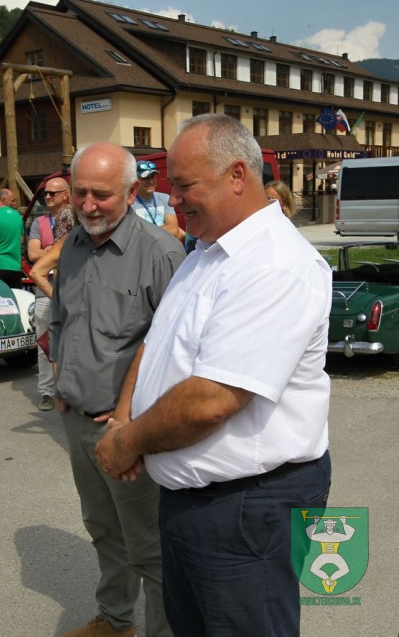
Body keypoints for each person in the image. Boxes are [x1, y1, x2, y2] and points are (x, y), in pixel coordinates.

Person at [96, 113, 332, 637]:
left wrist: (127, 442)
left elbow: (212, 400)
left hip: (246, 508)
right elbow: (158, 341)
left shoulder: (273, 265)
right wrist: (123, 418)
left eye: (185, 185)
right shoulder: (207, 252)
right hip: (201, 503)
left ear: (237, 175)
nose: (173, 199)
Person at [49, 142, 183, 637]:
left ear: (130, 193)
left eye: (101, 195)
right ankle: (116, 619)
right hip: (76, 418)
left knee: (150, 548)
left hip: (128, 430)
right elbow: (60, 317)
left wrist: (136, 425)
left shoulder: (161, 253)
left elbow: (178, 351)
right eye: (79, 192)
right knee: (103, 530)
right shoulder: (74, 244)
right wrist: (61, 380)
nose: (87, 205)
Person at [27, 176, 72, 411]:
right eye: (45, 193)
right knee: (45, 341)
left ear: (66, 195)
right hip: (46, 288)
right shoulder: (39, 222)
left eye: (52, 193)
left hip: (70, 287)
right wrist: (55, 250)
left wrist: (49, 250)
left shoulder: (75, 217)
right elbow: (32, 254)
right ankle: (46, 391)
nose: (47, 197)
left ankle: (68, 390)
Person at [131, 160, 183, 241]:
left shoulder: (164, 198)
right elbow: (135, 236)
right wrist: (166, 230)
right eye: (146, 178)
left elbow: (173, 230)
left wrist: (145, 233)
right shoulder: (130, 203)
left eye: (152, 177)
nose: (151, 181)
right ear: (136, 181)